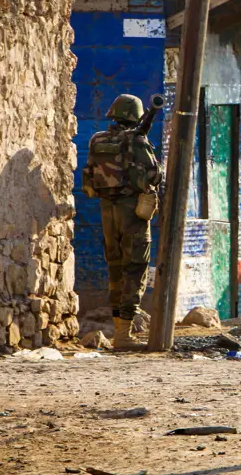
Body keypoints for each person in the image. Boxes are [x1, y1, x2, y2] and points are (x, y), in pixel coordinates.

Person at [81, 94, 162, 351]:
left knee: (115, 268)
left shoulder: (97, 140)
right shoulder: (136, 140)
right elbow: (153, 175)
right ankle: (124, 335)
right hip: (132, 212)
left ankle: (118, 328)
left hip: (107, 210)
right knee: (135, 268)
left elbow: (91, 175)